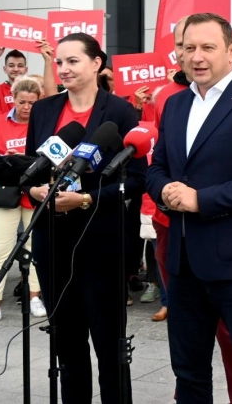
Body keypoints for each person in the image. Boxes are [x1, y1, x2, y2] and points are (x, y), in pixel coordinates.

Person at [146, 13, 232, 403]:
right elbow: (157, 167)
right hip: (184, 262)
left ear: (231, 51)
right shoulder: (175, 105)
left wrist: (200, 200)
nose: (197, 56)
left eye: (208, 47)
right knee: (188, 373)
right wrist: (165, 190)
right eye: (189, 47)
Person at [24, 33, 146, 403]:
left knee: (108, 344)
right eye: (59, 62)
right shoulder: (44, 110)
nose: (63, 69)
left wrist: (86, 199)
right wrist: (35, 190)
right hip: (52, 240)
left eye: (72, 61)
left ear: (96, 64)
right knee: (67, 343)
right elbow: (31, 168)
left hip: (101, 240)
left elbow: (136, 179)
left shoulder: (120, 112)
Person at [0, 78, 46, 326]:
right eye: (22, 102)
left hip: (34, 192)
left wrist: (26, 161)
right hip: (5, 191)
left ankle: (35, 297)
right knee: (0, 249)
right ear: (12, 99)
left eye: (32, 102)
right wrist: (8, 159)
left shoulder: (42, 124)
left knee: (35, 247)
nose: (26, 107)